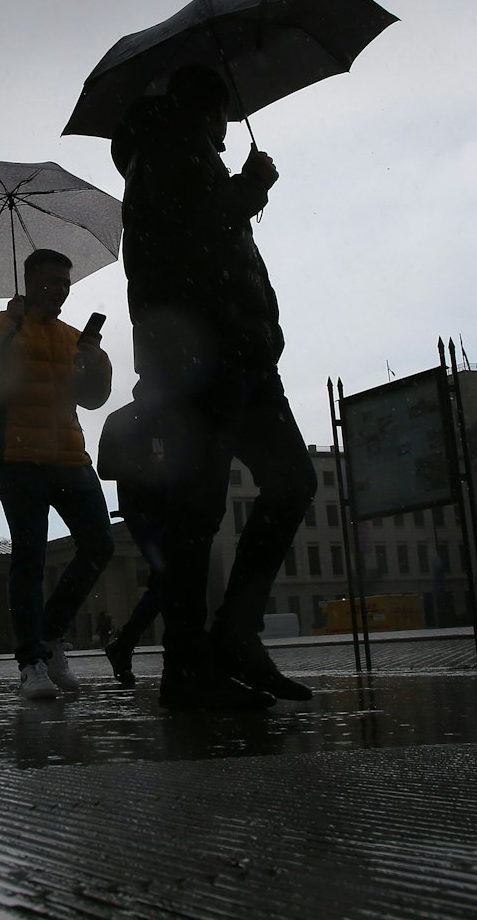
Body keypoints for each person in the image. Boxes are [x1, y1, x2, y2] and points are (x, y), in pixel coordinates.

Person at [109, 63, 319, 711]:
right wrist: (252, 186)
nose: (229, 128)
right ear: (209, 108)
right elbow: (198, 231)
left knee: (285, 484)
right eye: (225, 114)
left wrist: (240, 190)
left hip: (240, 354)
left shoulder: (188, 156)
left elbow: (209, 235)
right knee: (201, 510)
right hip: (202, 358)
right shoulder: (168, 152)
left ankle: (229, 637)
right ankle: (193, 660)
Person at [0, 248, 115, 700]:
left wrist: (95, 358)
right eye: (52, 281)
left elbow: (94, 399)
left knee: (100, 543)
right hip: (18, 456)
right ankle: (31, 663)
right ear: (29, 282)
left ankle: (50, 634)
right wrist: (10, 324)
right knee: (29, 558)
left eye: (65, 282)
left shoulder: (71, 336)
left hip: (70, 457)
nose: (60, 290)